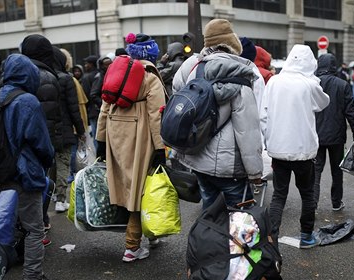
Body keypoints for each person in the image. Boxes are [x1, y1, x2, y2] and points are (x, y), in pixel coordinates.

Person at [172, 19, 263, 210]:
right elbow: (247, 130)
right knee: (239, 221)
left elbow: (177, 95)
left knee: (210, 215)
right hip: (229, 167)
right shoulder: (242, 74)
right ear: (232, 43)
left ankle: (206, 240)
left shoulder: (193, 67)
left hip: (198, 157)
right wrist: (255, 172)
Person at [96, 33, 166, 263]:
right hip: (139, 134)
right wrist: (160, 148)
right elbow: (157, 115)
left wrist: (100, 140)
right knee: (140, 189)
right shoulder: (150, 75)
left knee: (127, 185)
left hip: (116, 133)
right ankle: (132, 247)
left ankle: (151, 236)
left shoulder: (117, 72)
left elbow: (104, 109)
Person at [0, 53, 58, 280]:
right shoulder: (27, 101)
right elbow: (41, 143)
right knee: (34, 228)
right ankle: (32, 278)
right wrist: (45, 162)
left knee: (3, 227)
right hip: (24, 172)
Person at [260, 44, 330, 249]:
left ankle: (272, 239)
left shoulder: (274, 81)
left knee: (279, 194)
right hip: (303, 150)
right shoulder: (308, 84)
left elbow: (263, 115)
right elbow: (323, 103)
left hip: (278, 149)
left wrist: (268, 141)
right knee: (307, 193)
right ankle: (306, 236)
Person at [20, 34, 62, 242]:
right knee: (41, 184)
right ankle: (38, 227)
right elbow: (51, 118)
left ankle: (24, 230)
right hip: (39, 143)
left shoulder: (12, 74)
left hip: (14, 143)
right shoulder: (48, 76)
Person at [313, 53, 354, 212]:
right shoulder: (342, 85)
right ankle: (336, 202)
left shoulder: (312, 84)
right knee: (336, 171)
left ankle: (312, 204)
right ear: (334, 66)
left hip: (316, 135)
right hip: (337, 136)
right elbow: (351, 112)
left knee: (315, 171)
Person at [52, 46, 86, 217]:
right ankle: (60, 199)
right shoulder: (66, 79)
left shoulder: (41, 76)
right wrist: (81, 130)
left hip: (46, 130)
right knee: (63, 165)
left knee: (51, 165)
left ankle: (51, 196)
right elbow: (74, 109)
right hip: (65, 129)